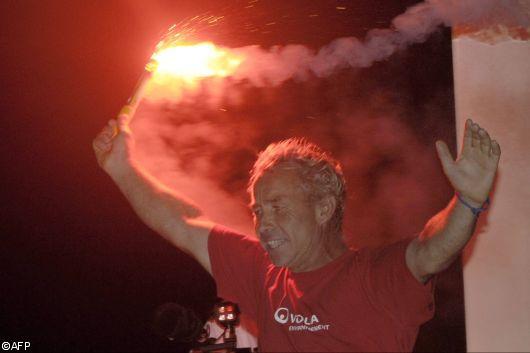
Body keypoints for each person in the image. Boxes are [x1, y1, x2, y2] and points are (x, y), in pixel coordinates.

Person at [93, 115, 500, 352]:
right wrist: (121, 170)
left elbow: (431, 248)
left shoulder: (374, 277)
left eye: (278, 207)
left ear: (323, 208)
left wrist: (467, 201)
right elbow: (181, 222)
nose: (263, 222)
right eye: (258, 210)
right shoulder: (260, 272)